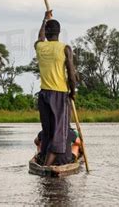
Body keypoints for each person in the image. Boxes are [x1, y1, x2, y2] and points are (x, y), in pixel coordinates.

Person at [35, 10, 77, 166]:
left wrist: (44, 19)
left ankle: (43, 160)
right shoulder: (65, 48)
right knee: (60, 131)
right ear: (59, 33)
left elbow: (39, 38)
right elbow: (71, 75)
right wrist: (72, 92)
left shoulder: (40, 47)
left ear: (46, 33)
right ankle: (47, 165)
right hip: (59, 94)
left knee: (47, 131)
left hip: (43, 95)